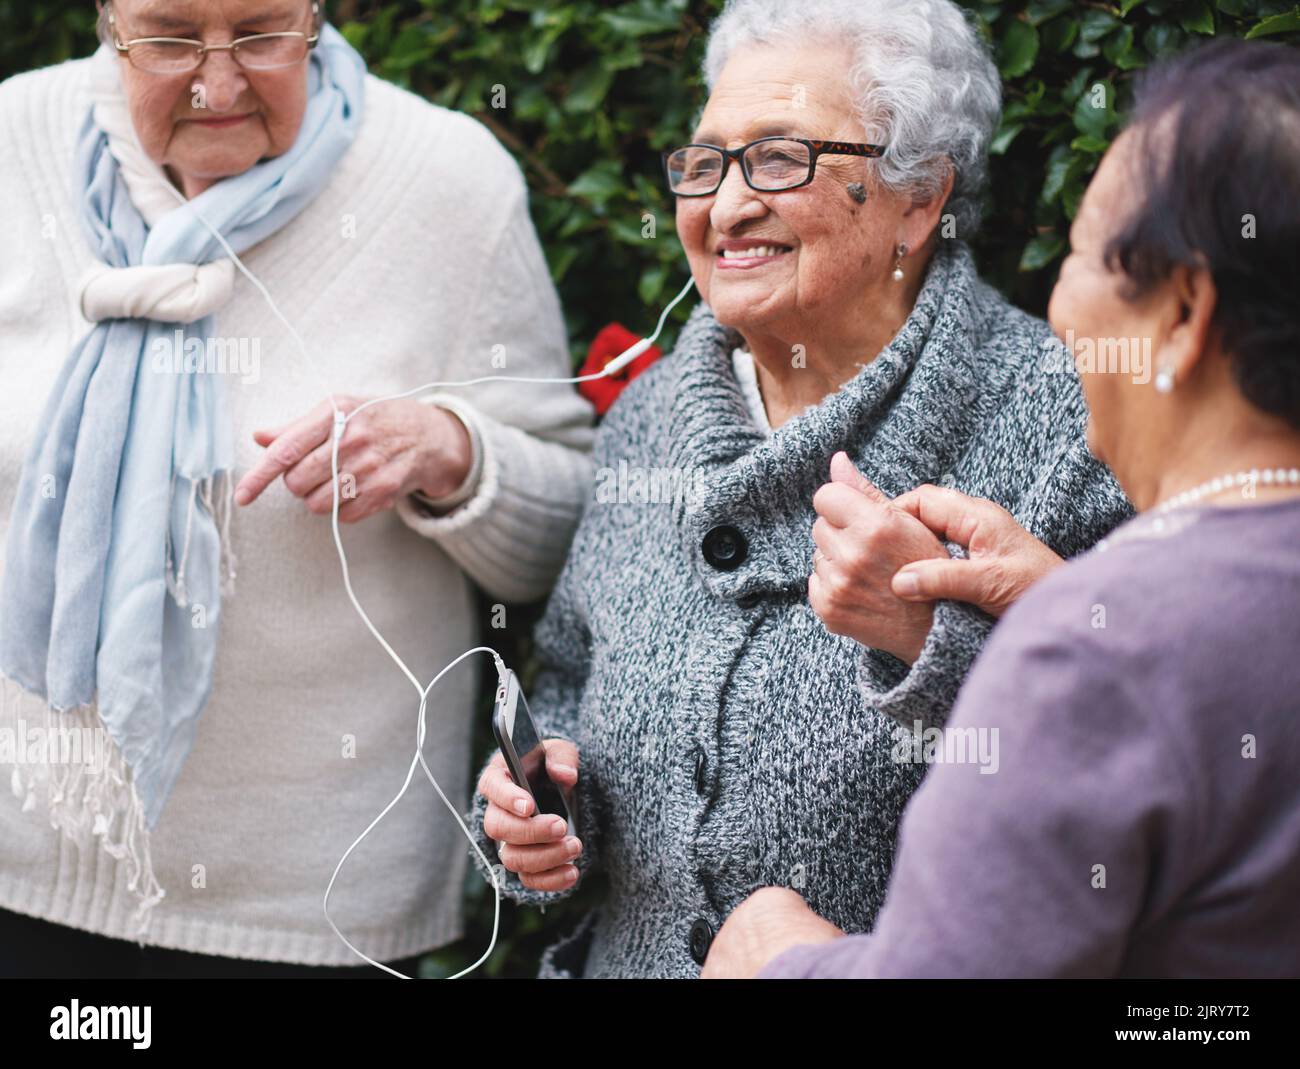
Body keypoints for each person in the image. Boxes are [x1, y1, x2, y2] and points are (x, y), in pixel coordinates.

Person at [466, 0, 1131, 979]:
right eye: (704, 163)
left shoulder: (1067, 426)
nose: (724, 206)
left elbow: (1137, 778)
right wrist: (548, 803)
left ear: (918, 197)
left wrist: (930, 643)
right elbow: (564, 671)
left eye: (779, 158)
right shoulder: (648, 420)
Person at [0, 0, 593, 977]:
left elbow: (562, 540)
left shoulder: (448, 181)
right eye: (171, 36)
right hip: (20, 865)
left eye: (264, 33)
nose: (219, 83)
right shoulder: (15, 142)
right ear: (106, 16)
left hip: (312, 906)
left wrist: (449, 451)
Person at [706, 37, 1300, 979]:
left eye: (1079, 254)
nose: (1058, 306)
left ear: (1182, 316)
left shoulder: (1093, 642)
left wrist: (777, 961)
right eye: (705, 163)